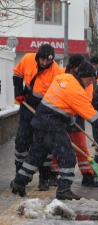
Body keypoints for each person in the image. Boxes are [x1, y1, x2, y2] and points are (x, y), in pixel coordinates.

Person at [11, 60, 98, 200]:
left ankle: (19, 182)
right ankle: (64, 189)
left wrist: (68, 116)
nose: (91, 83)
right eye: (90, 79)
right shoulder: (77, 91)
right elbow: (92, 116)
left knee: (36, 155)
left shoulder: (64, 77)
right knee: (67, 157)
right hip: (52, 125)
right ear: (83, 76)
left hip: (39, 120)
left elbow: (60, 98)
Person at [12, 44, 64, 191]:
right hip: (27, 107)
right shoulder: (28, 59)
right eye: (42, 60)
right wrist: (19, 92)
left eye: (48, 61)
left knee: (44, 145)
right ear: (38, 57)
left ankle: (44, 179)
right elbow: (17, 74)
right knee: (21, 142)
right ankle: (18, 176)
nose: (45, 63)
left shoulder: (57, 73)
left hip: (45, 111)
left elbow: (58, 97)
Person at [50, 54, 98, 187]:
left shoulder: (86, 80)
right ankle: (54, 173)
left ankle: (87, 174)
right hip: (60, 116)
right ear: (72, 67)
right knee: (58, 147)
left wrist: (75, 115)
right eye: (78, 67)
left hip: (77, 117)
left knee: (81, 147)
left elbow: (85, 101)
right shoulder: (61, 75)